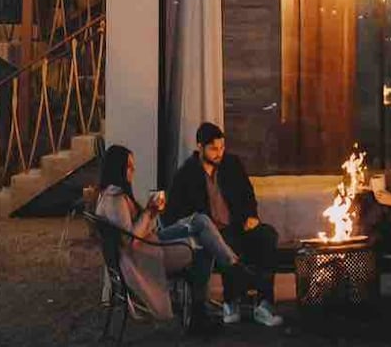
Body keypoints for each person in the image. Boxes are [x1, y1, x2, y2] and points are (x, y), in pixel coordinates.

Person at [94, 144, 244, 335]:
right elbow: (130, 240)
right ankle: (199, 314)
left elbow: (135, 233)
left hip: (148, 243)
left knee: (200, 220)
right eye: (129, 166)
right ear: (118, 169)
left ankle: (232, 265)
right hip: (141, 256)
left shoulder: (109, 195)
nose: (134, 170)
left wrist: (153, 213)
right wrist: (148, 212)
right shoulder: (115, 199)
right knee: (202, 249)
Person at [165, 122, 284, 327]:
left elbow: (248, 195)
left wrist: (251, 216)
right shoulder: (186, 175)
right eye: (213, 149)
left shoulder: (232, 164)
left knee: (268, 235)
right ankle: (231, 301)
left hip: (238, 224)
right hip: (211, 233)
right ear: (200, 147)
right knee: (228, 243)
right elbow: (175, 213)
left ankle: (264, 304)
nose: (219, 153)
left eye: (222, 147)